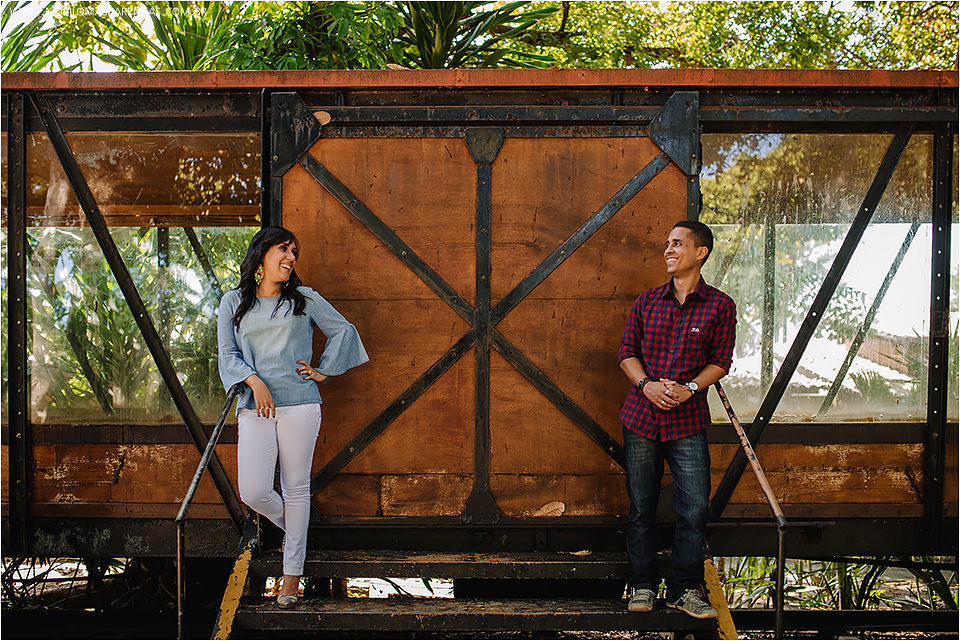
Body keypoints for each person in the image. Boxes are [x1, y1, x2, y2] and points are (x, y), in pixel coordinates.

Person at [217, 226, 368, 609]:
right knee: (253, 491)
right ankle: (296, 530)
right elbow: (227, 354)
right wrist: (254, 381)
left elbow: (343, 331)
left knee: (296, 489)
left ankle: (291, 578)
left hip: (301, 405)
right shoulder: (233, 302)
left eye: (294, 252)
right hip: (255, 406)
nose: (291, 257)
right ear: (261, 254)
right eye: (284, 249)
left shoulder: (304, 299)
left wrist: (323, 371)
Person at [617, 220, 736, 619]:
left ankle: (683, 590)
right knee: (641, 506)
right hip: (641, 417)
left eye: (677, 243)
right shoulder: (648, 302)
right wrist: (647, 385)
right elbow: (626, 353)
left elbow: (721, 361)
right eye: (667, 243)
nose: (668, 249)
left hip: (687, 420)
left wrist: (690, 388)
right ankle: (643, 585)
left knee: (695, 507)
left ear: (700, 252)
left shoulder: (720, 305)